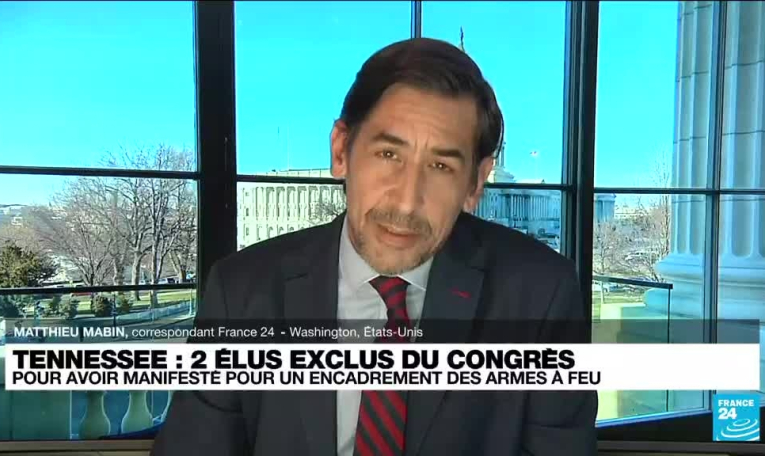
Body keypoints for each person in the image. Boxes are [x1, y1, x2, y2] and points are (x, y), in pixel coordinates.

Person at [152, 37, 597, 456]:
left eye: (441, 166)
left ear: (475, 182)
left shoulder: (540, 296)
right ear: (341, 151)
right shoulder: (241, 293)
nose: (406, 202)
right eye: (388, 155)